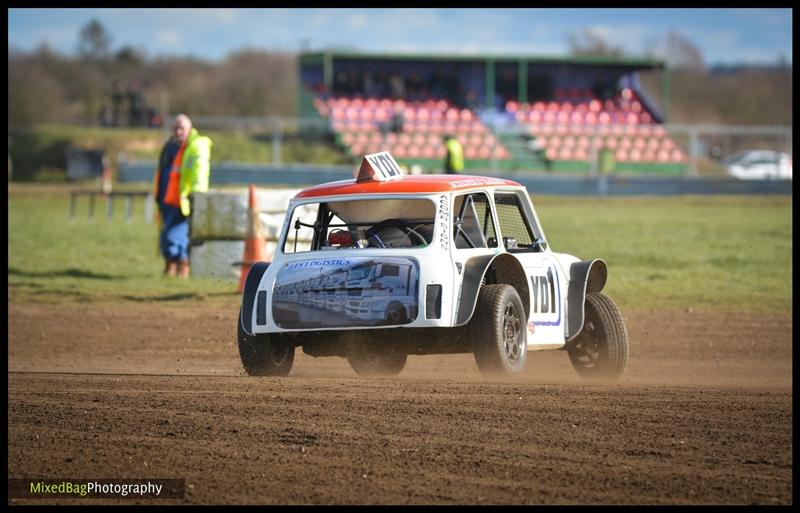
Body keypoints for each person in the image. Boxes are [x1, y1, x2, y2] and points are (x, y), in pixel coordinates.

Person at [153, 114, 212, 278]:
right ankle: (173, 266)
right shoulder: (169, 147)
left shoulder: (194, 146)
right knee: (168, 236)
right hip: (166, 199)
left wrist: (196, 194)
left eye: (182, 128)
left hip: (183, 200)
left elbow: (199, 172)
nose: (179, 132)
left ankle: (182, 265)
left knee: (174, 236)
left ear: (189, 129)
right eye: (176, 128)